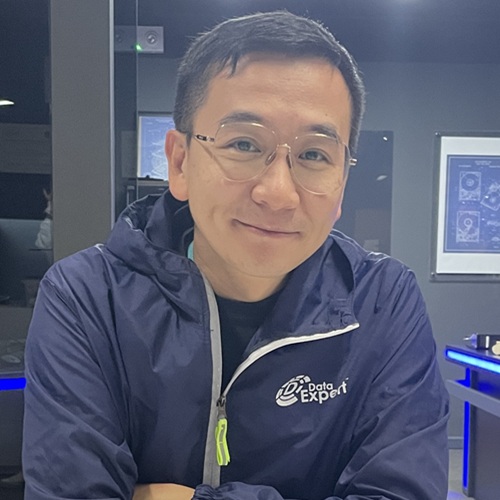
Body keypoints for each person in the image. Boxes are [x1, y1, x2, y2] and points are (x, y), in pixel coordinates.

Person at [22, 10, 450, 500]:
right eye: (244, 143)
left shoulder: (382, 303)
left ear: (342, 183)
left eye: (314, 155)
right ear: (180, 163)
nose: (278, 193)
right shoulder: (88, 299)